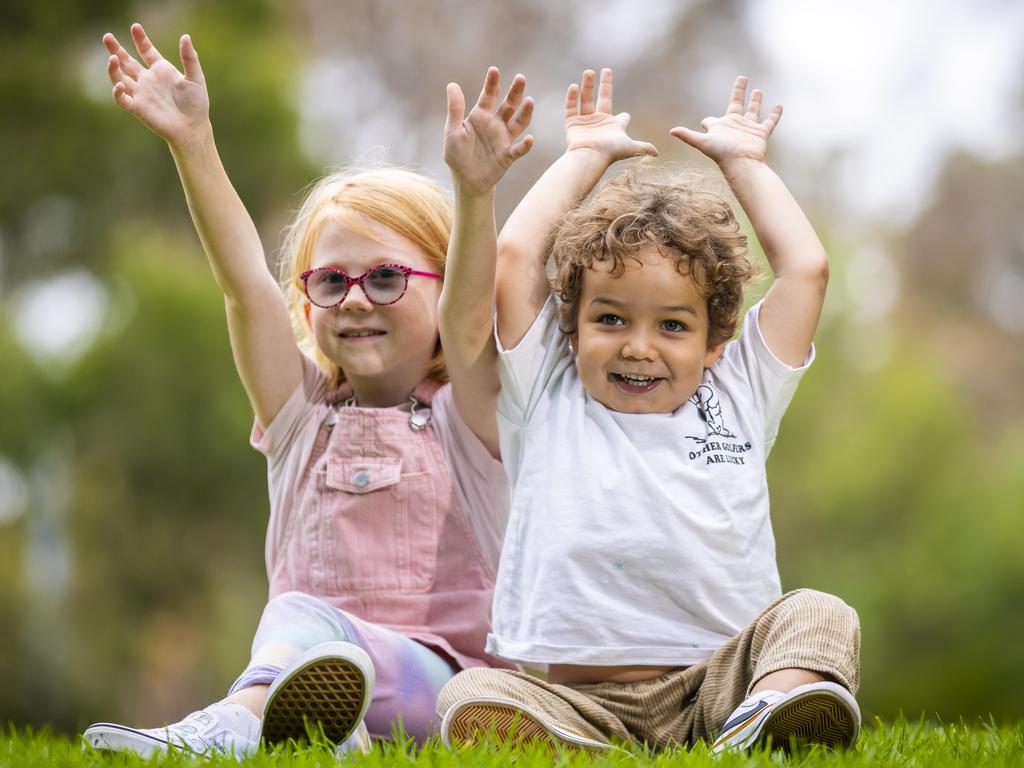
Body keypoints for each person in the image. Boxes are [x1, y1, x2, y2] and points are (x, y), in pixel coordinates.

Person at [83, 24, 529, 758]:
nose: (355, 299)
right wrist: (193, 144)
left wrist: (475, 196)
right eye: (331, 280)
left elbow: (474, 319)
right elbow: (244, 288)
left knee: (304, 619)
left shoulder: (470, 417)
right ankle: (323, 729)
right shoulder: (301, 419)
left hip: (457, 693)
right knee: (310, 638)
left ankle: (223, 732)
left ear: (445, 291)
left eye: (387, 277)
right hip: (313, 671)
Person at [436, 68, 861, 753]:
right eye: (610, 318)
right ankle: (581, 746)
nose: (639, 347)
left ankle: (764, 716)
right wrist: (585, 155)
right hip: (581, 698)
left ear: (715, 340)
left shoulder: (740, 391)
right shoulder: (546, 388)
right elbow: (516, 256)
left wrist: (745, 165)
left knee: (821, 614)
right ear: (570, 326)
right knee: (471, 694)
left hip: (718, 688)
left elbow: (805, 269)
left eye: (672, 326)